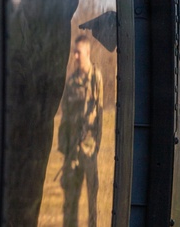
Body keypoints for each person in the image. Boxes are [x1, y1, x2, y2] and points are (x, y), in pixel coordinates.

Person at [58, 35, 103, 227]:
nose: (75, 56)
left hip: (89, 149)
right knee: (70, 202)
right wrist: (65, 149)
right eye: (74, 52)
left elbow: (99, 115)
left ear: (87, 53)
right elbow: (65, 119)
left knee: (92, 201)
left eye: (78, 52)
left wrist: (95, 146)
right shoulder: (71, 81)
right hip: (72, 153)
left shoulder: (95, 78)